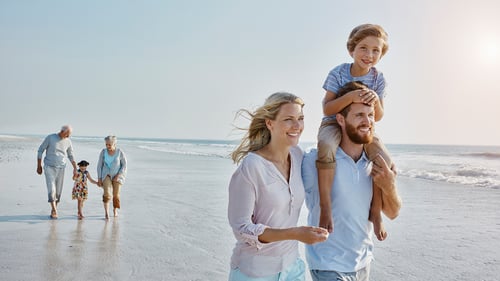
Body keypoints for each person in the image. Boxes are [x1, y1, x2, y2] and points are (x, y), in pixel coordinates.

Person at [303, 81, 402, 281]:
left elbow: (393, 212)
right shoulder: (314, 160)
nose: (367, 121)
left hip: (363, 263)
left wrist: (389, 186)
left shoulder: (374, 162)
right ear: (340, 119)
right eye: (359, 115)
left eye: (371, 115)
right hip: (327, 265)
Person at [227, 92, 329, 281]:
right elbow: (241, 229)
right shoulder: (251, 167)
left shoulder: (299, 156)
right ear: (269, 123)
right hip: (254, 272)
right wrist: (295, 233)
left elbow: (331, 158)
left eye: (300, 118)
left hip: (292, 268)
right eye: (288, 119)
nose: (297, 126)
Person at [316, 23, 394, 240]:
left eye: (376, 50)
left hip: (363, 126)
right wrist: (350, 98)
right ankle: (325, 207)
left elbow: (377, 116)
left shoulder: (378, 79)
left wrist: (375, 99)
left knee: (383, 161)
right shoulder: (339, 72)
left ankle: (376, 213)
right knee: (325, 149)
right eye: (363, 48)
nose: (369, 54)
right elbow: (327, 108)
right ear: (352, 49)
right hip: (333, 123)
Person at [37, 125, 78, 219]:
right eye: (67, 134)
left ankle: (53, 208)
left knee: (58, 191)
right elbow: (40, 150)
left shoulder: (68, 141)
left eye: (69, 135)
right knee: (51, 189)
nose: (68, 136)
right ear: (62, 131)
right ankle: (55, 210)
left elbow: (71, 155)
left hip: (61, 168)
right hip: (49, 167)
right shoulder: (50, 137)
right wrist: (38, 166)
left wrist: (75, 168)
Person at [97, 135, 127, 219]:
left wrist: (118, 175)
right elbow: (99, 165)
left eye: (109, 145)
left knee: (116, 195)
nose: (107, 146)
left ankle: (115, 210)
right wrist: (99, 178)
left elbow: (124, 165)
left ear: (114, 144)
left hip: (118, 175)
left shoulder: (120, 152)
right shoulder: (103, 152)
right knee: (107, 193)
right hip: (106, 175)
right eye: (106, 144)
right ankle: (106, 213)